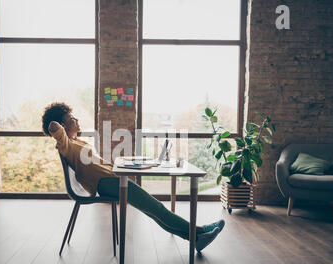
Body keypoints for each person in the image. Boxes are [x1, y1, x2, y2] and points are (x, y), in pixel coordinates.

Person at [42, 102, 224, 252]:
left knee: (153, 211)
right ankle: (199, 230)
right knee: (157, 208)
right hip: (105, 184)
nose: (77, 119)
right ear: (64, 125)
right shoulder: (65, 144)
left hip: (112, 179)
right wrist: (59, 127)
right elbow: (54, 127)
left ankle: (195, 239)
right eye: (71, 118)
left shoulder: (77, 142)